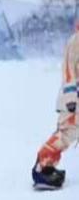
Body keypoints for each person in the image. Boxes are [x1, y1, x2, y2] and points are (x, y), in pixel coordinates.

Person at [32, 23, 79, 190]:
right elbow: (69, 71)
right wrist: (71, 97)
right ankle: (43, 165)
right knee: (67, 133)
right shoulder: (76, 42)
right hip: (73, 101)